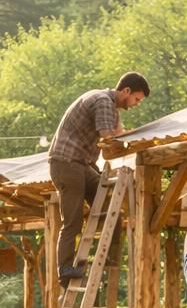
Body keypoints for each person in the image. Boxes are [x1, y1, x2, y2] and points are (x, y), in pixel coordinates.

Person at [48, 72, 149, 282]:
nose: (137, 104)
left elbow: (120, 133)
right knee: (72, 221)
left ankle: (109, 259)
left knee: (110, 204)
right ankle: (64, 270)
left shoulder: (113, 109)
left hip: (81, 164)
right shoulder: (103, 101)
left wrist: (141, 139)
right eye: (137, 99)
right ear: (126, 91)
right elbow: (110, 140)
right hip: (67, 162)